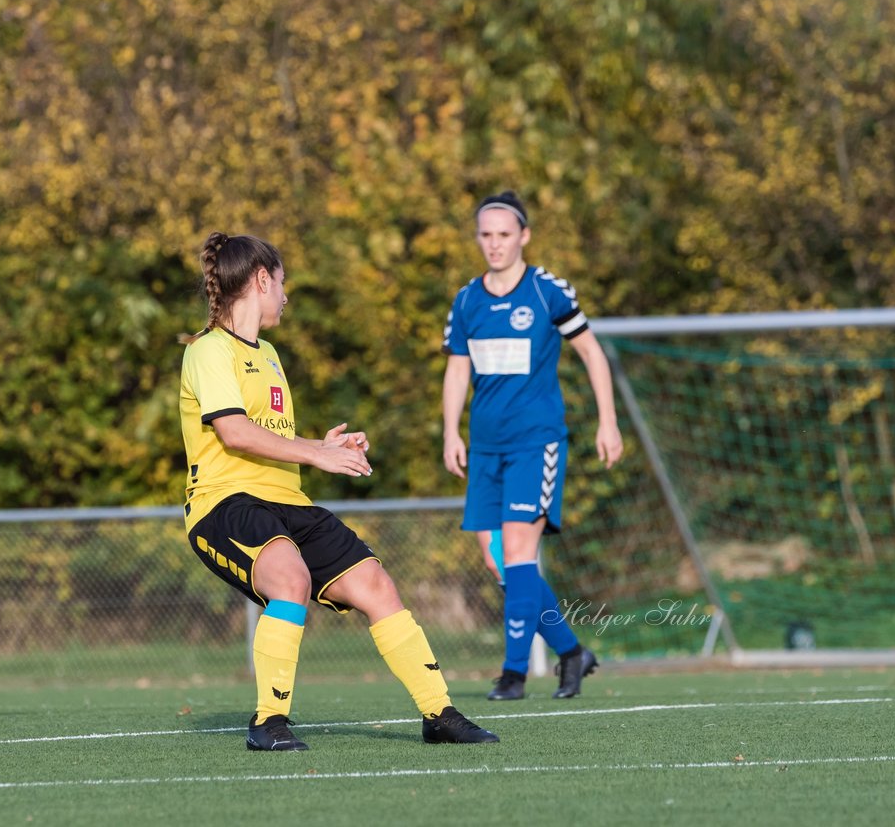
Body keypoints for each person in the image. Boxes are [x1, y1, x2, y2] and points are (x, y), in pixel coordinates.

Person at [180, 231, 499, 750]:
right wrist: (318, 452)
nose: (286, 295)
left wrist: (322, 444)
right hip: (224, 504)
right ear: (261, 280)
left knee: (377, 584)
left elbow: (271, 438)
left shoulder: (270, 353)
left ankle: (438, 713)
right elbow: (234, 432)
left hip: (287, 503)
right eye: (281, 283)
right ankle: (268, 723)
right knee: (290, 579)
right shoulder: (208, 350)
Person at [441, 191, 623, 701]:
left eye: (504, 234)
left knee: (521, 551)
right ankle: (571, 653)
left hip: (536, 442)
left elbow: (591, 352)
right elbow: (458, 369)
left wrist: (607, 422)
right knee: (500, 563)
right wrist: (450, 431)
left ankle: (514, 674)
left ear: (523, 236)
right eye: (486, 234)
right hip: (485, 448)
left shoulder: (547, 292)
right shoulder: (467, 300)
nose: (494, 244)